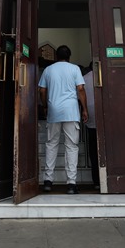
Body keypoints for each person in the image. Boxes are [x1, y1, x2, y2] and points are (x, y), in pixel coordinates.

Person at [38, 45, 87, 195]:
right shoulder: (74, 69)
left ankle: (48, 181)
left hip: (54, 111)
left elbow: (42, 90)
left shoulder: (48, 70)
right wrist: (85, 109)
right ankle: (71, 184)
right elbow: (80, 89)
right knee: (71, 146)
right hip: (71, 111)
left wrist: (45, 106)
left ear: (55, 56)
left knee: (51, 144)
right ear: (69, 56)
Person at [82, 64, 99, 190]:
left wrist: (84, 110)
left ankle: (97, 181)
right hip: (106, 119)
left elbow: (79, 94)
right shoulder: (105, 75)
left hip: (90, 117)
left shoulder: (83, 78)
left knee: (93, 149)